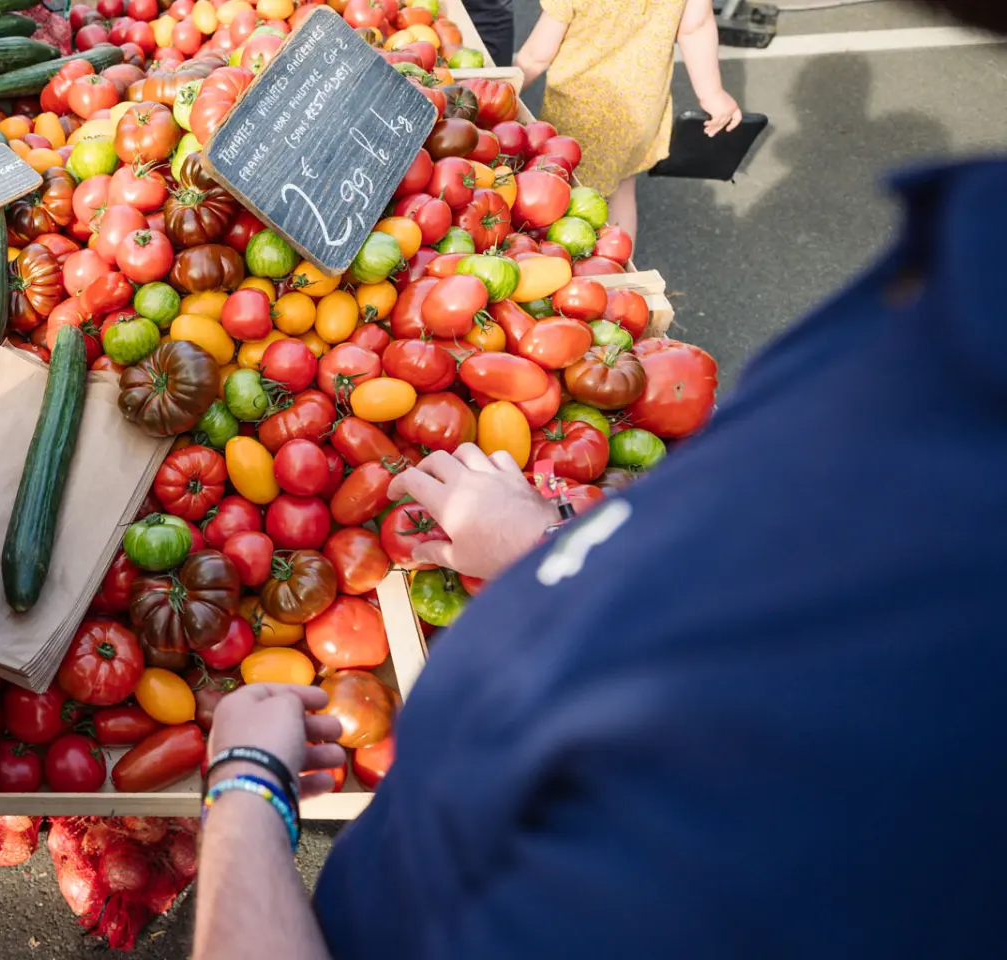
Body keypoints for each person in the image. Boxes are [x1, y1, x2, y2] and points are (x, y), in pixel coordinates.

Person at [196, 1, 1007, 954]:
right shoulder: (963, 274)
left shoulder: (920, 741)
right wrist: (548, 550)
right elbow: (730, 606)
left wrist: (246, 787)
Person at [514, 0, 741, 244]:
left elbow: (537, 54)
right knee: (622, 184)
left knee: (563, 196)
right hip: (641, 108)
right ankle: (619, 268)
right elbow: (695, 26)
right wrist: (712, 93)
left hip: (580, 114)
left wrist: (507, 91)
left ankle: (567, 263)